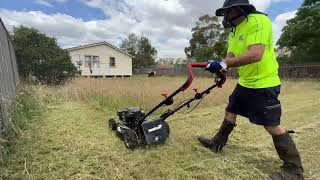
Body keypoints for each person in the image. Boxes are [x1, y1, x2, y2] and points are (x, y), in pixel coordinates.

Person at [198, 0, 304, 179]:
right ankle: (217, 143)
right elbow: (230, 57)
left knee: (271, 125)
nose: (224, 17)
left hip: (264, 82)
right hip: (245, 81)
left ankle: (294, 170)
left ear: (236, 10)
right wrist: (220, 67)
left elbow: (256, 54)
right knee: (230, 110)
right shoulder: (234, 31)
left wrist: (224, 63)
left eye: (226, 12)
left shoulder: (258, 21)